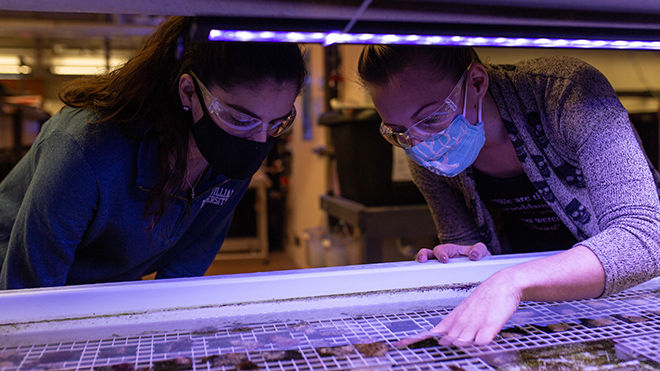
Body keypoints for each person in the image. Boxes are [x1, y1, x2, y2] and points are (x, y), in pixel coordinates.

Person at [357, 45, 660, 346]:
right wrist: (464, 258)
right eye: (397, 131)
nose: (420, 142)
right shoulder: (425, 151)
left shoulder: (567, 94)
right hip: (539, 313)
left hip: (632, 293)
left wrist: (512, 281)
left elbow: (644, 238)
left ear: (476, 82)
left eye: (430, 119)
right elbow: (466, 245)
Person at [0, 17, 307, 289]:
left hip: (104, 291)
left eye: (278, 123)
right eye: (240, 119)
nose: (258, 139)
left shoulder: (233, 153)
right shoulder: (85, 150)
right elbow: (30, 288)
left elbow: (185, 269)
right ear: (189, 91)